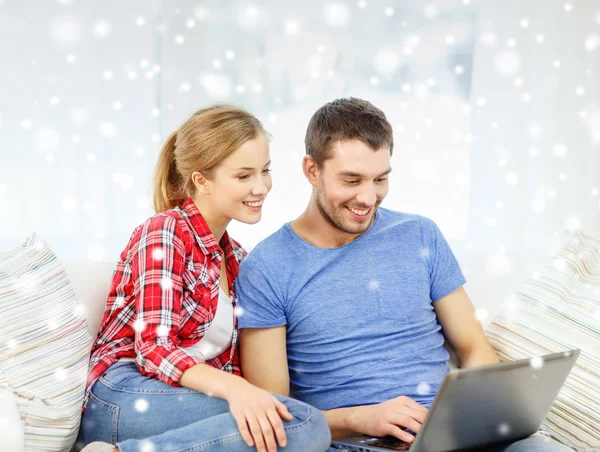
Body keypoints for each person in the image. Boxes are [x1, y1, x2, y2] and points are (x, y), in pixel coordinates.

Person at [235, 97, 571, 452]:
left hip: (454, 436)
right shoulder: (266, 267)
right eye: (351, 180)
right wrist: (357, 419)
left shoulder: (420, 235)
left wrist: (469, 416)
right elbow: (274, 414)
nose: (367, 196)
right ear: (311, 170)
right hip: (358, 444)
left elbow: (474, 347)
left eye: (380, 179)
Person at [78, 105, 331, 452]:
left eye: (265, 171)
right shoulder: (165, 232)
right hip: (121, 395)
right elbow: (153, 350)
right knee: (299, 423)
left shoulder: (239, 259)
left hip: (181, 403)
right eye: (244, 176)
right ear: (201, 180)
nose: (262, 187)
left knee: (290, 424)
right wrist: (238, 390)